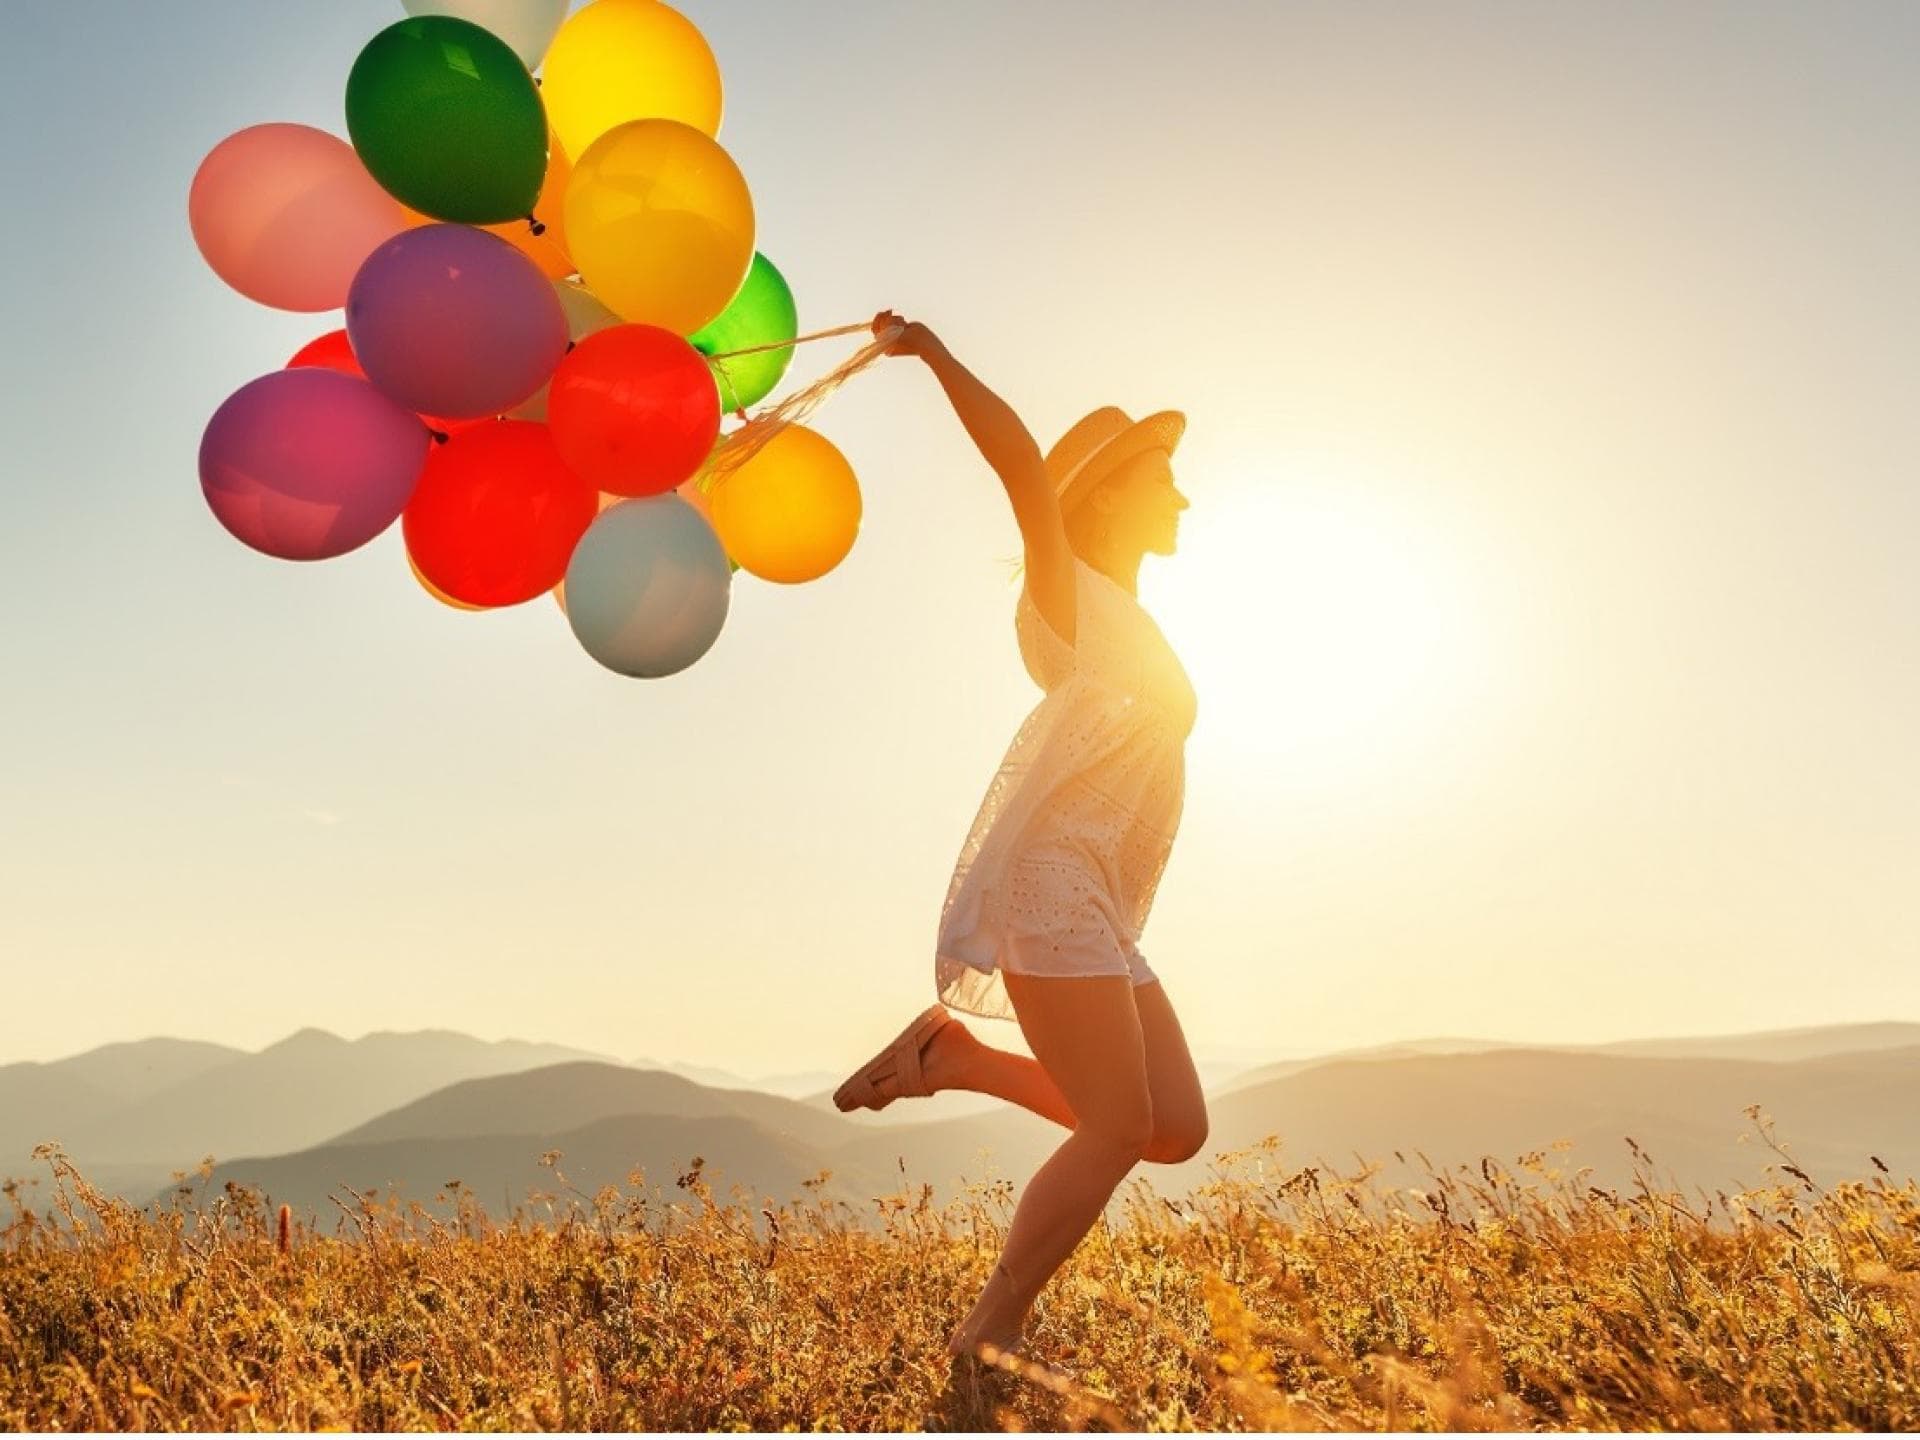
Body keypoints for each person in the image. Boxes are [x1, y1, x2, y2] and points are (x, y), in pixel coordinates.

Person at [831, 309, 1208, 1363]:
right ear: (1106, 494)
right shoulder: (1071, 594)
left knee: (1172, 1126)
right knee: (1121, 1128)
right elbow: (1020, 473)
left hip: (1101, 900)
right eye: (1160, 476)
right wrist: (937, 356)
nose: (1181, 494)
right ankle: (990, 1333)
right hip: (1050, 888)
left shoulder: (1132, 615)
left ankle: (953, 1057)